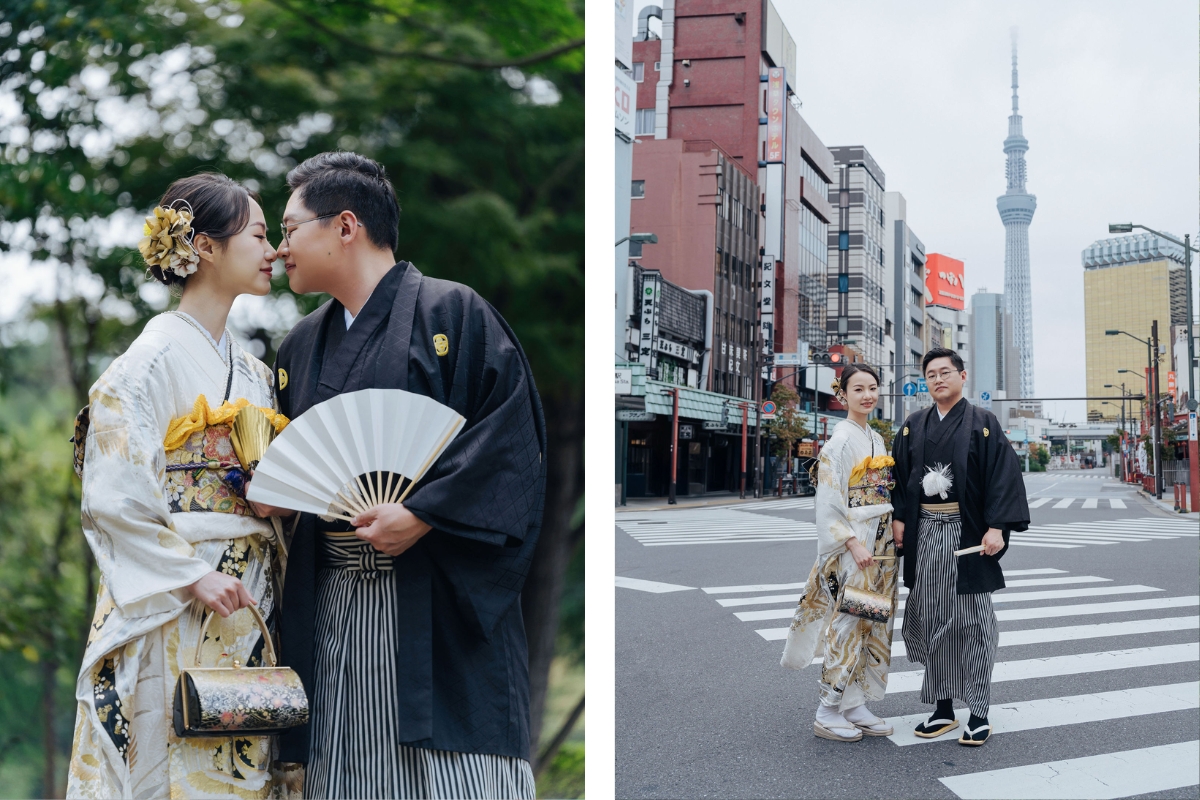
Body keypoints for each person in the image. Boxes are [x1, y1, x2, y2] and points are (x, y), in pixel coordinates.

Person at [271, 152, 545, 799]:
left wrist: (424, 513)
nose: (281, 248)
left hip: (435, 600)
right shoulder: (297, 349)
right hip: (335, 601)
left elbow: (511, 443)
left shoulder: (455, 315)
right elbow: (295, 468)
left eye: (289, 229)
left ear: (345, 226)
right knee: (345, 767)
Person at [67, 174, 297, 798]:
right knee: (171, 753)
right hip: (178, 590)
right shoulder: (145, 364)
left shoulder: (252, 371)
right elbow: (113, 496)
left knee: (238, 754)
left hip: (247, 594)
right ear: (206, 246)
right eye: (256, 234)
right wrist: (192, 574)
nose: (272, 249)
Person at [890, 347, 1030, 746]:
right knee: (934, 616)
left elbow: (1003, 476)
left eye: (945, 372)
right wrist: (899, 517)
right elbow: (898, 477)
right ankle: (943, 707)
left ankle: (980, 711)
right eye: (931, 374)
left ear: (963, 376)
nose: (938, 379)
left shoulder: (983, 423)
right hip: (925, 533)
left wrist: (998, 526)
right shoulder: (913, 425)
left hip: (967, 534)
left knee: (974, 620)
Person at [781, 362, 899, 742]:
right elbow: (829, 499)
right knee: (848, 624)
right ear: (842, 394)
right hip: (858, 544)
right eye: (859, 389)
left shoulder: (875, 439)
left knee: (872, 622)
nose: (867, 395)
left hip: (879, 545)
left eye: (873, 388)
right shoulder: (840, 442)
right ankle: (826, 709)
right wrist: (851, 542)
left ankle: (855, 702)